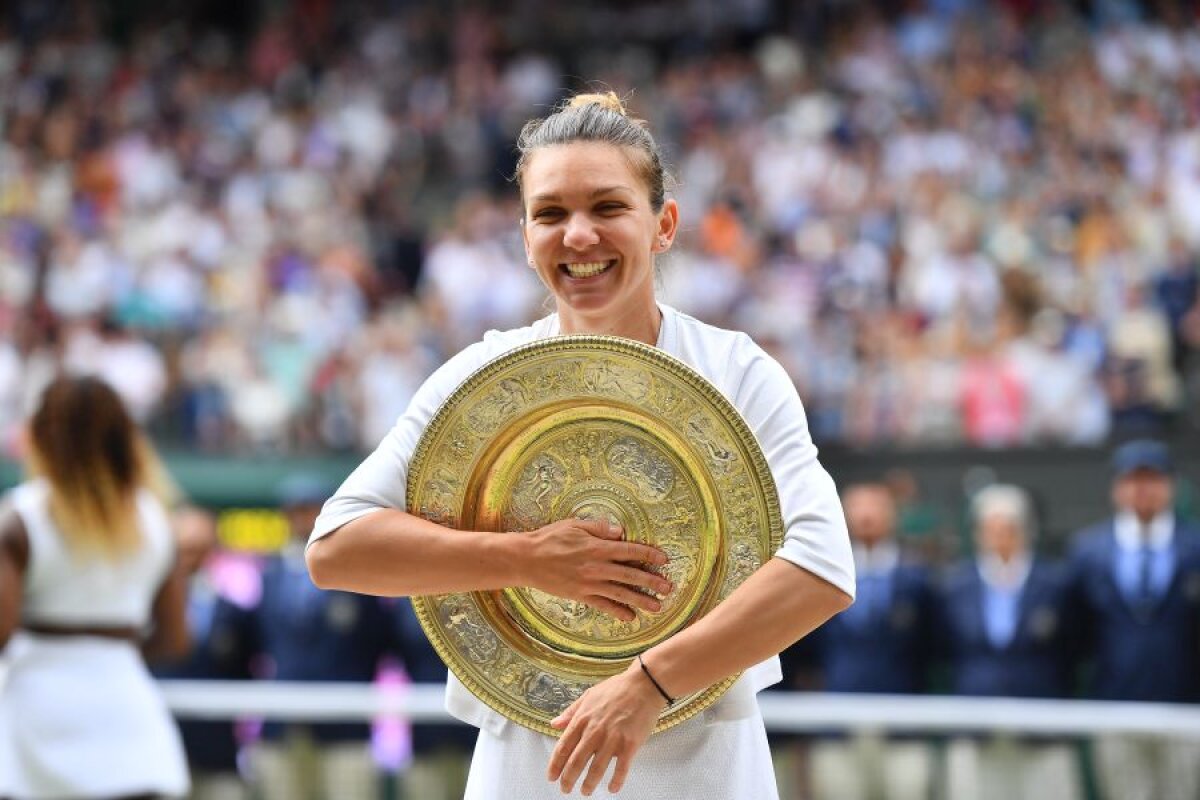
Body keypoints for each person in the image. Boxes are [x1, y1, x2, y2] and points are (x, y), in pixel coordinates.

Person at [306, 91, 855, 799]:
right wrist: (529, 559)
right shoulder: (479, 378)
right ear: (525, 235)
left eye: (608, 208)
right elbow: (336, 547)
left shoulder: (737, 372)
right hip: (528, 764)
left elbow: (823, 566)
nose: (579, 236)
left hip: (702, 767)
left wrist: (648, 686)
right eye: (551, 214)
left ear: (664, 225)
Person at [0, 375, 191, 798]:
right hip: (131, 720)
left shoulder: (19, 517)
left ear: (42, 434)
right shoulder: (156, 517)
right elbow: (174, 638)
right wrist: (104, 653)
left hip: (35, 726)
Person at [249, 473, 394, 800]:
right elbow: (260, 642)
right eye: (295, 511)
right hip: (284, 724)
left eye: (310, 509)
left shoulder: (358, 571)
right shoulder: (270, 574)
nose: (302, 518)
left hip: (344, 724)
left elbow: (377, 639)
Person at [1069, 440, 1200, 800]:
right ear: (1117, 488)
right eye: (1132, 479)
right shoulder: (1088, 552)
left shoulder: (1195, 546)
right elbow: (1075, 635)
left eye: (1152, 479)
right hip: (1115, 710)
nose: (1143, 489)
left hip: (1186, 714)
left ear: (1171, 486)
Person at [938, 484, 1083, 800]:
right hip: (975, 726)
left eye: (1009, 527)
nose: (1000, 536)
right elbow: (944, 650)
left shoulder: (1055, 583)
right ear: (977, 533)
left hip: (1042, 728)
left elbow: (1074, 648)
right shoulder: (956, 585)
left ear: (1026, 531)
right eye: (991, 528)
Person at [804, 482, 937, 800]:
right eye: (857, 506)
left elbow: (934, 646)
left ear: (892, 514)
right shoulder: (819, 572)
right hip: (838, 724)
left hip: (902, 724)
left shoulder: (918, 579)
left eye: (875, 506)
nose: (866, 515)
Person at [154, 506, 258, 800]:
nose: (191, 559)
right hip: (160, 753)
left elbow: (245, 674)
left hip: (218, 753)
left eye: (200, 549)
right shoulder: (143, 610)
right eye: (183, 550)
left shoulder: (233, 614)